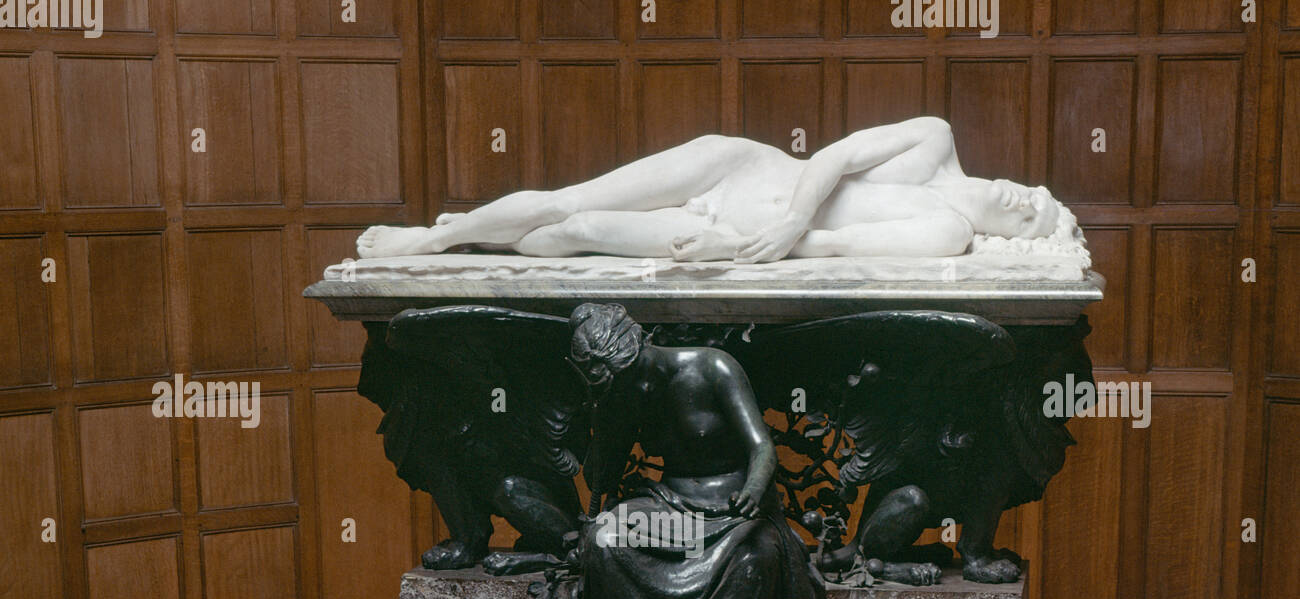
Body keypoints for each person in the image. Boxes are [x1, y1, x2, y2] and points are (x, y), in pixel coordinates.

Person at [569, 304, 820, 599]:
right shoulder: (625, 390)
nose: (631, 387)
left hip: (733, 508)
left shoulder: (712, 367)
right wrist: (604, 412)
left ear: (640, 349)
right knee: (607, 540)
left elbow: (762, 446)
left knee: (754, 563)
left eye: (626, 377)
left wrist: (753, 488)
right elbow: (601, 473)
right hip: (672, 509)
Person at [358, 116, 1061, 264]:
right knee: (571, 198)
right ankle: (438, 235)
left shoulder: (948, 233)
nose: (1031, 201)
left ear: (1011, 240)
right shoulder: (936, 137)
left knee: (577, 235)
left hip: (737, 238)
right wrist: (789, 218)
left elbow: (836, 244)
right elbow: (835, 156)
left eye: (1038, 220)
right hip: (740, 170)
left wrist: (745, 244)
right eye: (1039, 194)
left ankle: (479, 236)